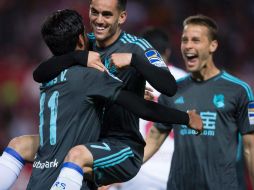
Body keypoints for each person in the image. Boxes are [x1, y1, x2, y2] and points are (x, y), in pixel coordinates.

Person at [0, 6, 203, 190]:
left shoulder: (137, 47)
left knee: (76, 156)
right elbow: (41, 73)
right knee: (20, 144)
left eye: (107, 14)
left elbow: (168, 87)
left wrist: (134, 61)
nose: (99, 19)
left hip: (118, 143)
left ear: (122, 17)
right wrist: (78, 57)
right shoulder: (83, 43)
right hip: (82, 139)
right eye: (94, 12)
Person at [144, 14, 254, 190]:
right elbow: (155, 138)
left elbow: (250, 148)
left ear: (213, 45)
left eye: (195, 40)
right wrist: (118, 173)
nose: (188, 46)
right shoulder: (172, 90)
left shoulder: (239, 91)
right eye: (184, 40)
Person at [117, 28, 187, 190]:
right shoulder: (186, 80)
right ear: (167, 52)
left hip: (140, 168)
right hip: (177, 169)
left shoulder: (127, 78)